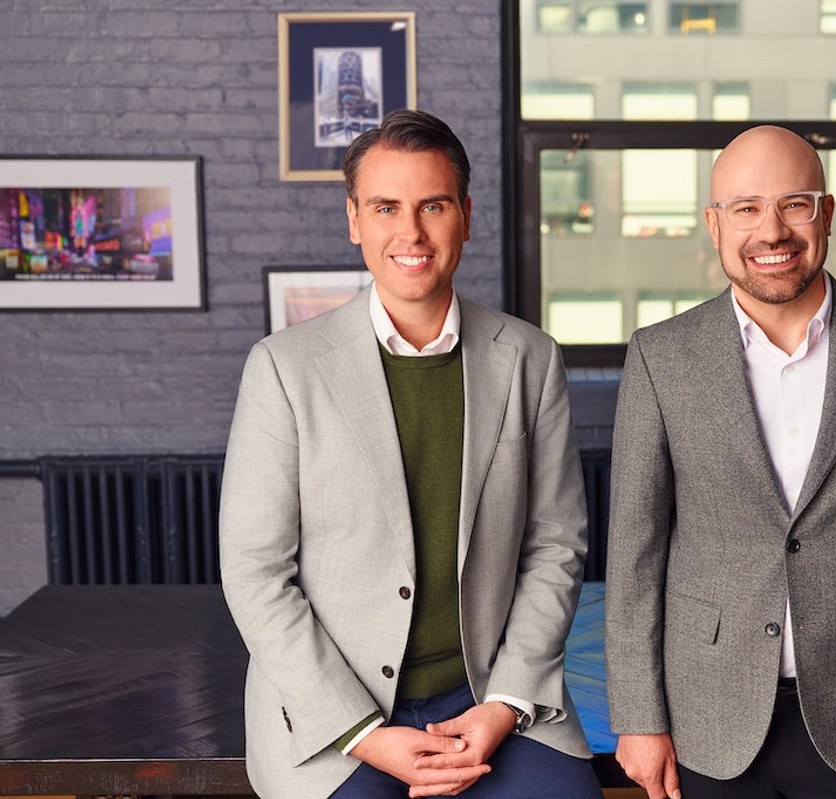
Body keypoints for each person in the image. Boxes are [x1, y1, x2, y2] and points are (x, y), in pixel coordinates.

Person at [220, 109, 604, 799]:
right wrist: (364, 733)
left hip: (490, 695)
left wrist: (504, 704)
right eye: (385, 207)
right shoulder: (283, 367)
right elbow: (255, 573)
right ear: (354, 220)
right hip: (336, 716)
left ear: (466, 216)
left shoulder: (529, 358)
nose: (411, 232)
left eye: (433, 205)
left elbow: (556, 544)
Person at [603, 125, 836, 799]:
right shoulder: (659, 357)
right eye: (747, 208)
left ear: (827, 213)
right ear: (715, 225)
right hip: (704, 717)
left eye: (795, 204)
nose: (772, 230)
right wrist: (638, 715)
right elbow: (634, 553)